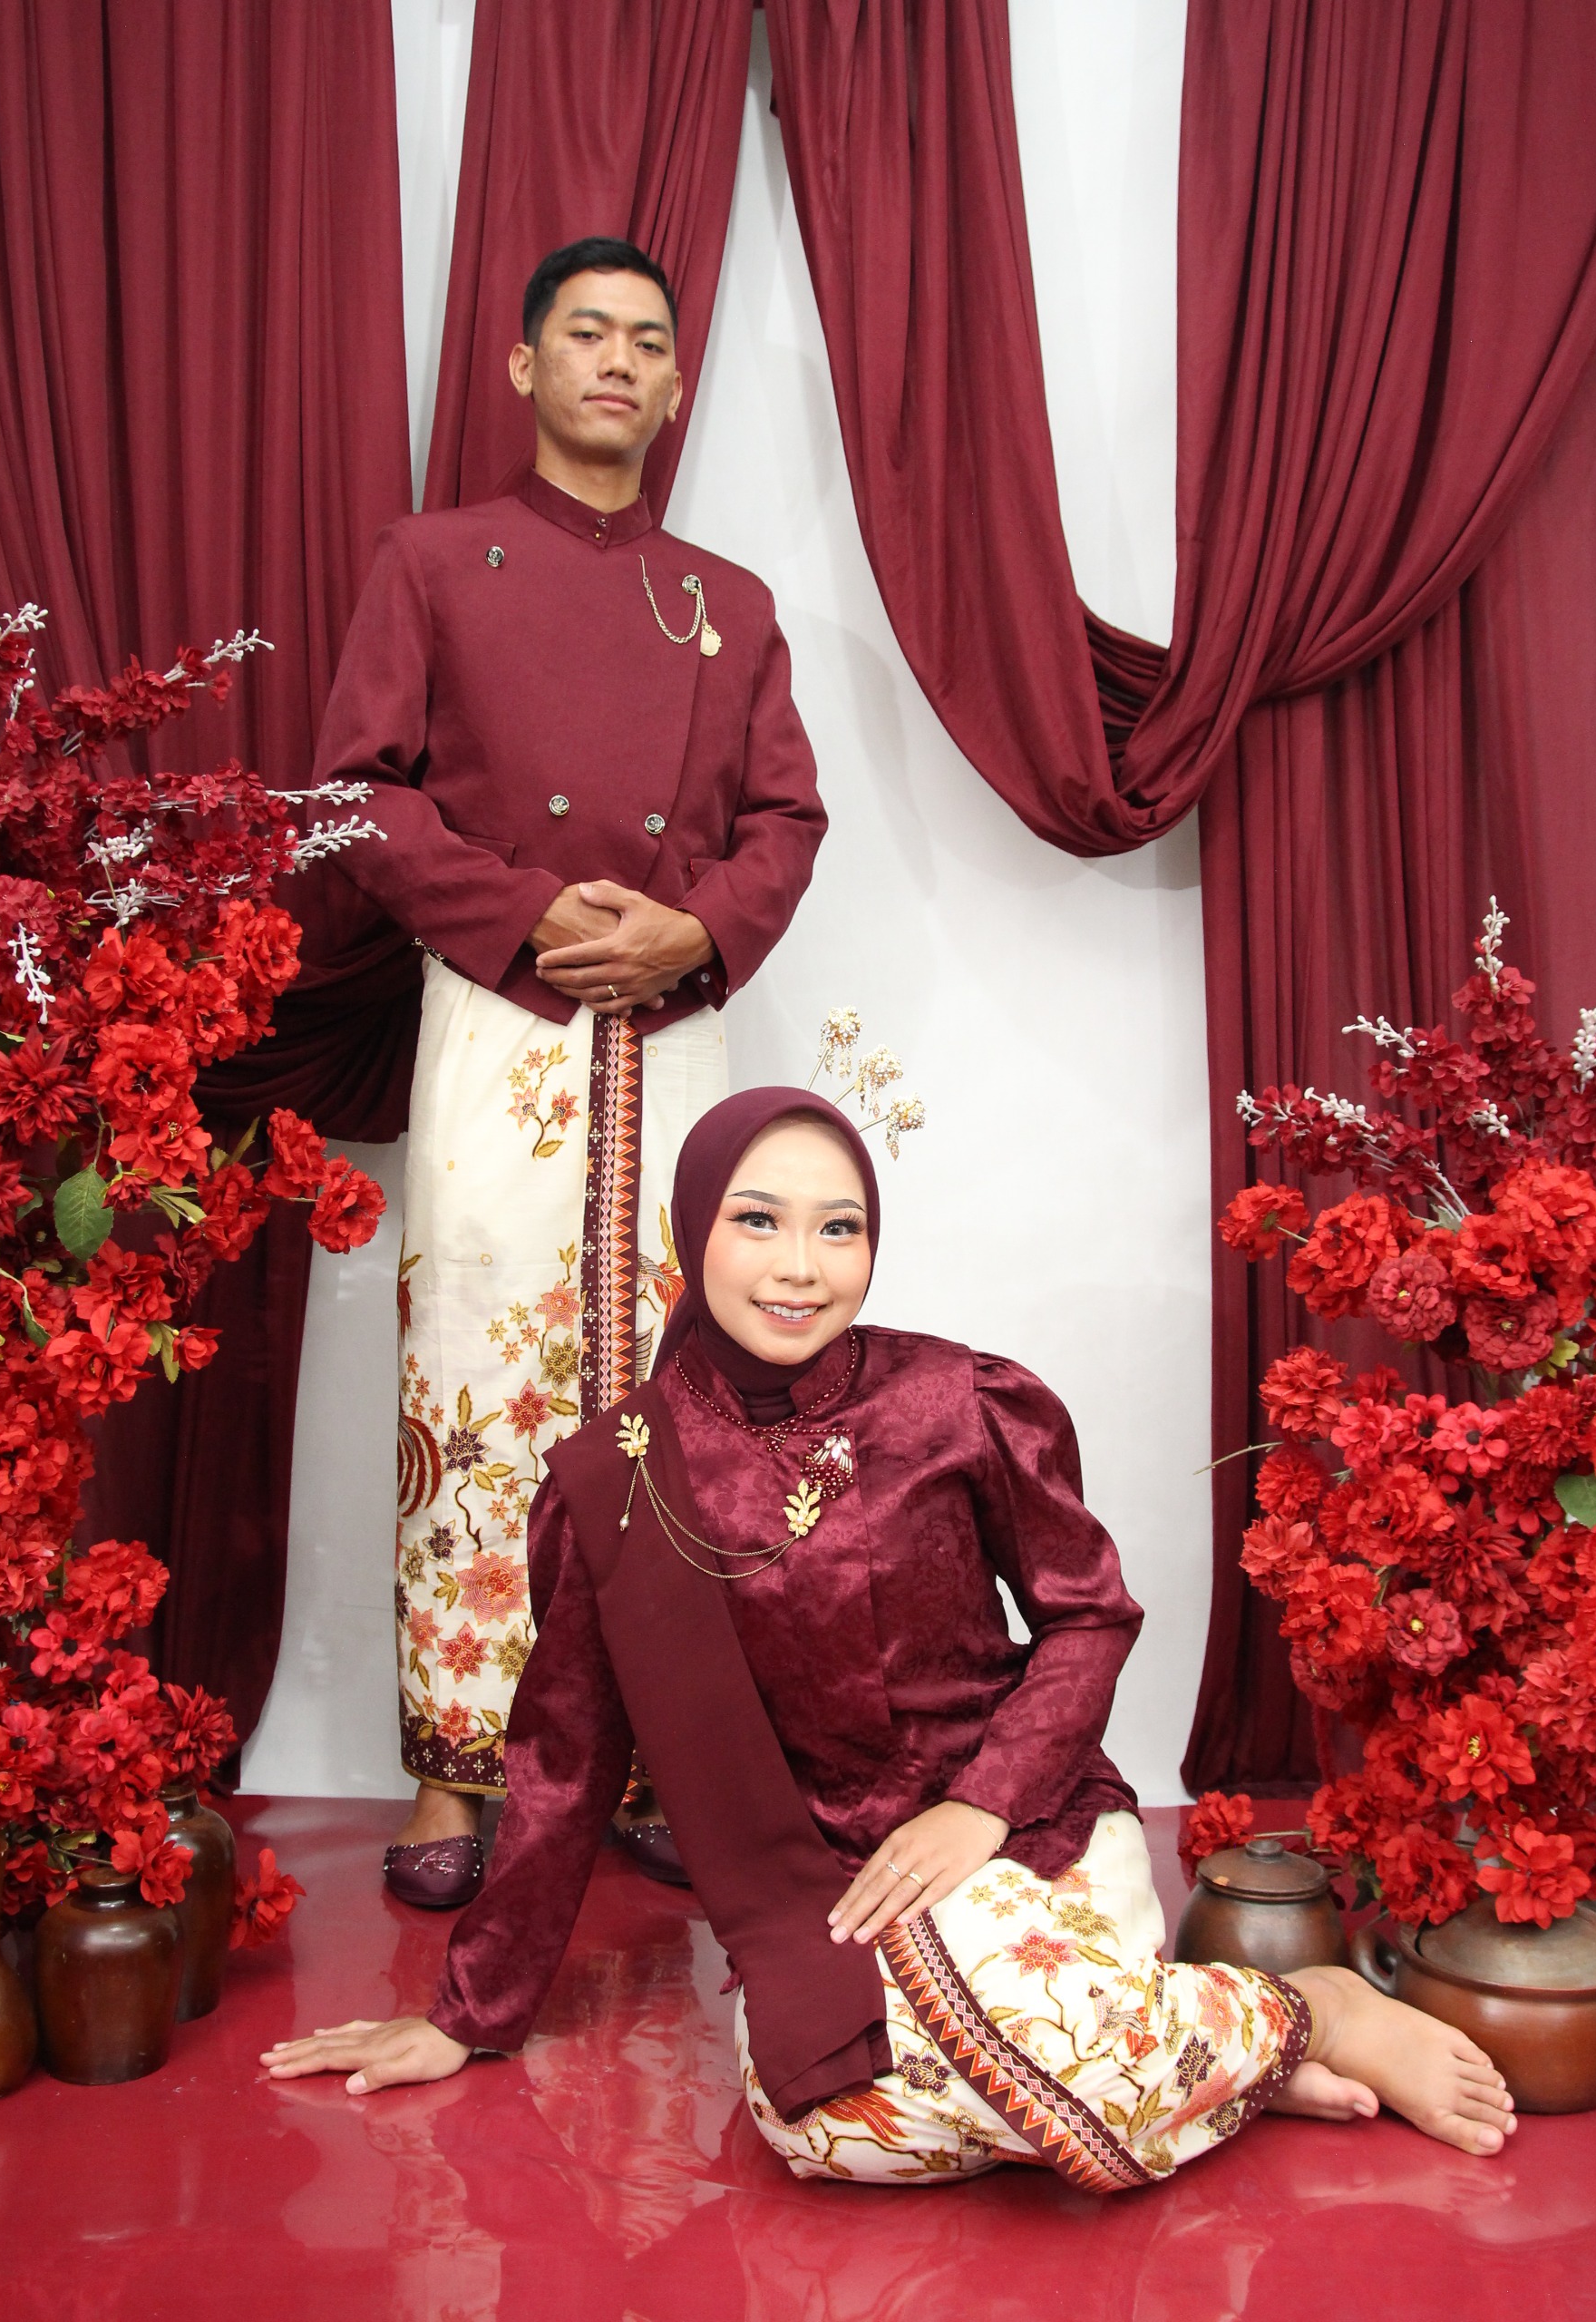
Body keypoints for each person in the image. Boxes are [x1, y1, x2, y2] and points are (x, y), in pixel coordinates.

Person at [265, 1090, 1519, 2185]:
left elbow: (1089, 1615)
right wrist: (470, 2013)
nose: (800, 1266)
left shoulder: (957, 1401)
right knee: (826, 2134)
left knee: (1050, 2054)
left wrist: (980, 1807)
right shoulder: (619, 1479)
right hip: (825, 1885)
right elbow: (565, 1755)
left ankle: (1307, 2013)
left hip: (1025, 1824)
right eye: (758, 1220)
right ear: (691, 1232)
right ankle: (1193, 2061)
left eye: (839, 1227)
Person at [312, 239, 826, 1904]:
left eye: (648, 341)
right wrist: (528, 914)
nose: (618, 360)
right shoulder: (432, 562)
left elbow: (786, 818)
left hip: (677, 1028)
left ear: (675, 385)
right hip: (499, 1014)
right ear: (527, 367)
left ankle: (662, 1753)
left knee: (686, 1381)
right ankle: (458, 1769)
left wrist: (694, 932)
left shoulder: (730, 602)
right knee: (478, 1369)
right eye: (586, 333)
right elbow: (361, 790)